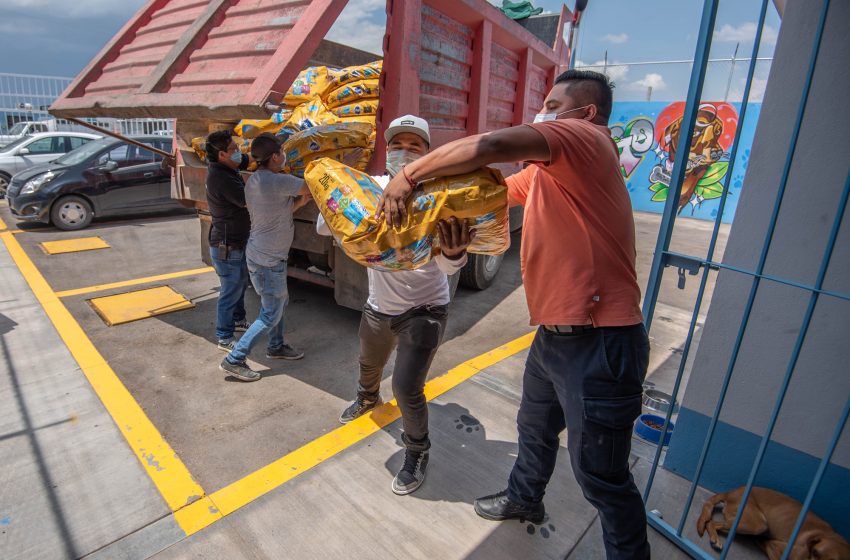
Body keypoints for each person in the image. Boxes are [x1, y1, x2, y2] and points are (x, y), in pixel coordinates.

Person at [377, 72, 650, 559]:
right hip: (554, 335)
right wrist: (440, 224)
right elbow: (488, 192)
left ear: (584, 112)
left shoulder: (585, 139)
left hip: (602, 340)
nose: (542, 113)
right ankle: (525, 498)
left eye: (552, 104)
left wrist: (408, 175)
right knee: (535, 428)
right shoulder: (550, 174)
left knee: (602, 477)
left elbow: (493, 144)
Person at [317, 115, 473, 495]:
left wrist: (454, 253)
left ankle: (417, 449)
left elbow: (449, 264)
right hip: (379, 305)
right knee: (369, 363)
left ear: (427, 153)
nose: (404, 151)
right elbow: (327, 228)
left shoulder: (440, 196)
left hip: (425, 309)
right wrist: (342, 212)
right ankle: (367, 397)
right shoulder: (371, 187)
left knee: (406, 386)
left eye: (414, 145)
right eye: (397, 145)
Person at [220, 133, 311, 382]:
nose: (284, 156)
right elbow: (311, 185)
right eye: (282, 152)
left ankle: (277, 346)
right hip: (269, 261)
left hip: (259, 256)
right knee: (271, 312)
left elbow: (275, 212)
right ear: (275, 157)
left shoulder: (255, 181)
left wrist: (299, 205)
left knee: (276, 305)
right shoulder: (279, 181)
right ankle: (234, 359)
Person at [204, 130, 251, 352]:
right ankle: (224, 335)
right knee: (230, 288)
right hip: (227, 244)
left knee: (240, 282)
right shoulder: (221, 177)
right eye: (234, 149)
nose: (238, 153)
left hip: (234, 242)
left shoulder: (225, 169)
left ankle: (239, 320)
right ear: (222, 154)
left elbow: (246, 161)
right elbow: (245, 201)